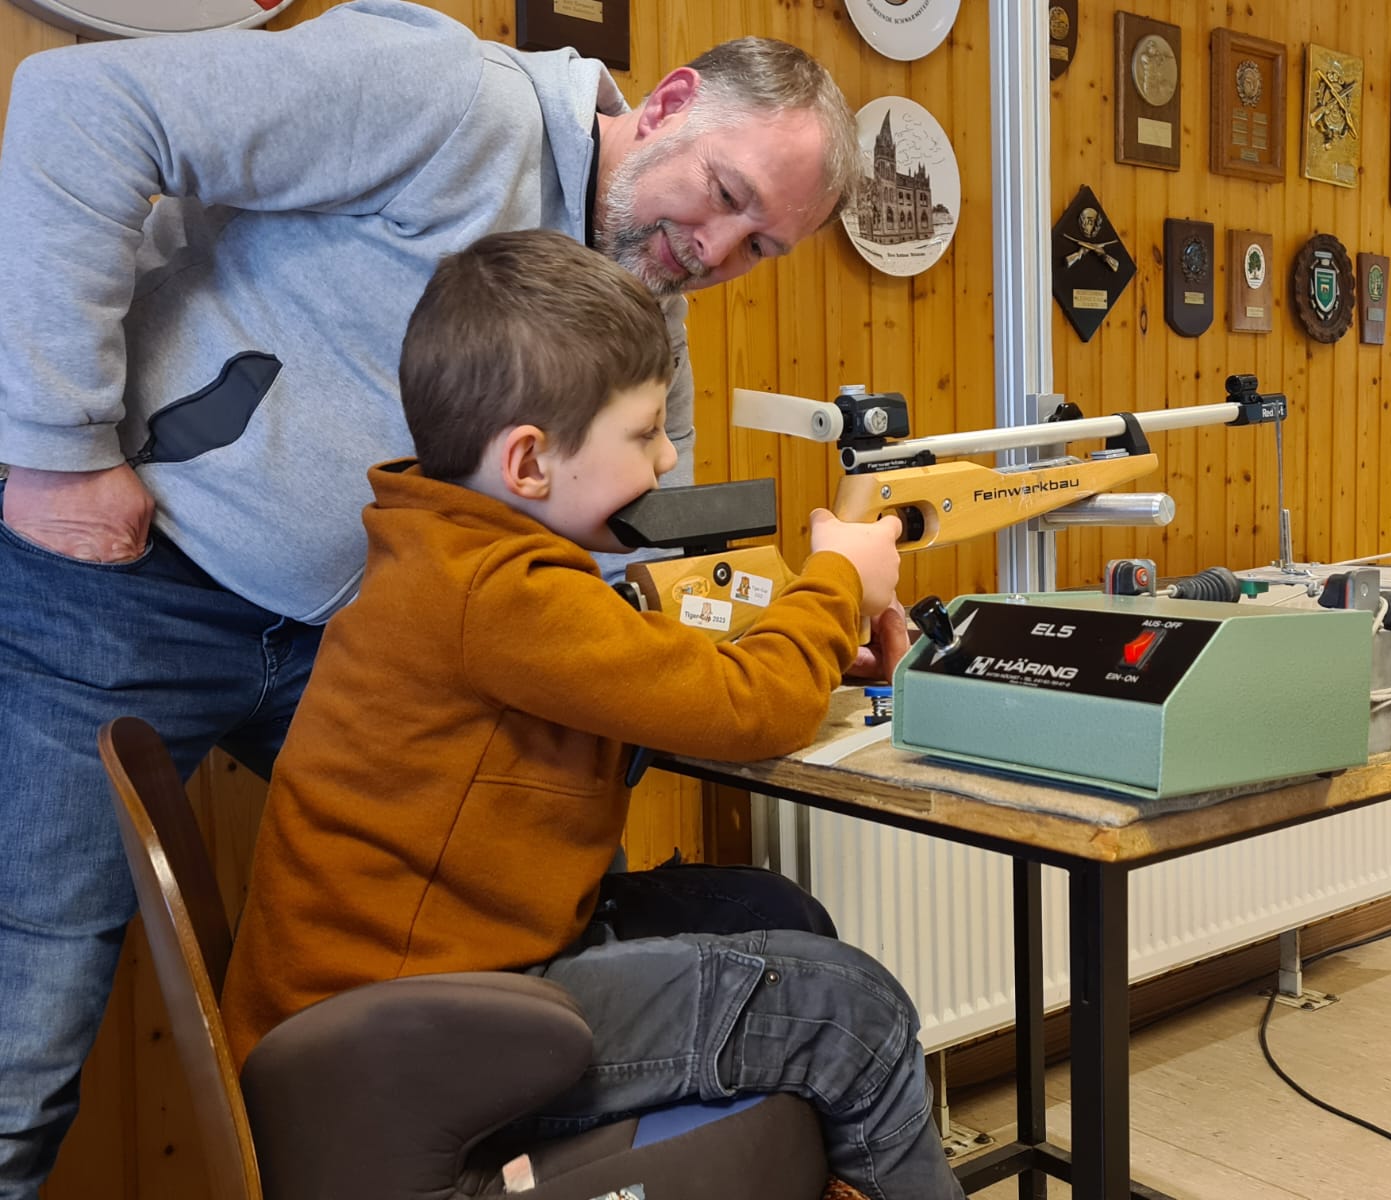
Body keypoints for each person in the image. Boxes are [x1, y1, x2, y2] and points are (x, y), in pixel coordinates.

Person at [0, 4, 907, 1195]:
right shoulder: (447, 95)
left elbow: (646, 547)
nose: (718, 249)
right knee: (32, 1012)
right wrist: (58, 442)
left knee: (534, 865)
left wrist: (801, 622)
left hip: (348, 627)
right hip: (133, 583)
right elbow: (85, 107)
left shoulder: (640, 291)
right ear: (672, 103)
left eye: (762, 247)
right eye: (726, 194)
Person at [218, 227, 958, 1199]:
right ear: (528, 461)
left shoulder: (450, 550)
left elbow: (642, 671)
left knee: (767, 914)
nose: (666, 458)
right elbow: (751, 709)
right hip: (403, 1048)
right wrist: (838, 583)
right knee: (845, 1011)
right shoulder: (499, 592)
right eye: (645, 432)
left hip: (419, 999)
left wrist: (817, 641)